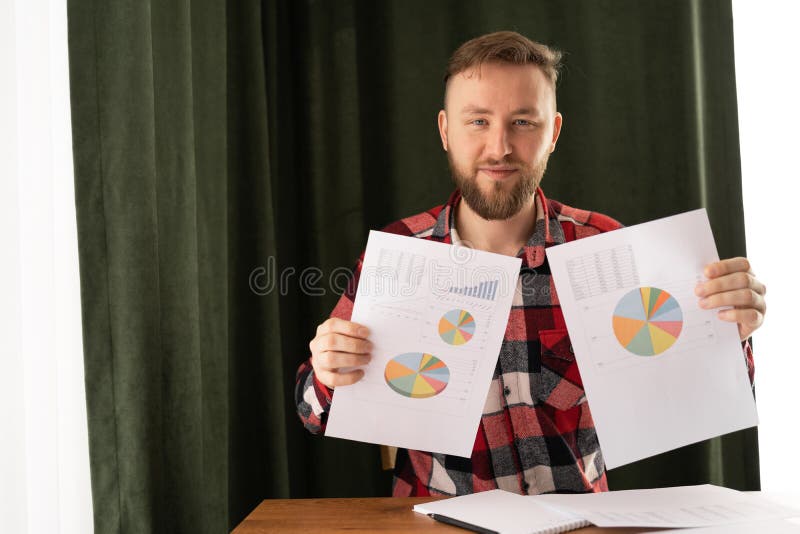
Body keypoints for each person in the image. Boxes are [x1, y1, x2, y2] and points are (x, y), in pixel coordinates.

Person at [295, 31, 766, 496]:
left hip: (580, 525)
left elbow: (693, 392)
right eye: (478, 121)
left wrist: (730, 334)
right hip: (439, 522)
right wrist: (328, 370)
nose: (499, 147)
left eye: (523, 122)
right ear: (445, 131)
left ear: (554, 132)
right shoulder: (399, 254)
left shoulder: (603, 245)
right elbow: (314, 413)